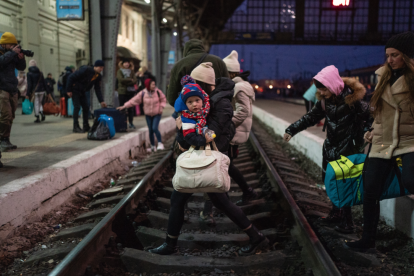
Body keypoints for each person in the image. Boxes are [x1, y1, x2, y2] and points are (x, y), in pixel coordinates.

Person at [149, 62, 268, 256]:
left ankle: (256, 237)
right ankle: (256, 237)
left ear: (204, 83)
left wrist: (182, 132)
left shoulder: (219, 104)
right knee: (204, 201)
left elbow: (205, 135)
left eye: (196, 82)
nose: (193, 86)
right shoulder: (211, 100)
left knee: (187, 199)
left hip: (210, 157)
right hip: (206, 156)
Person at [345, 32, 414, 252]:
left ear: (407, 55)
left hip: (408, 141)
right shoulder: (383, 76)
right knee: (370, 190)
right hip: (383, 141)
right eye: (388, 55)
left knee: (411, 179)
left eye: (395, 55)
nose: (390, 60)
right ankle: (368, 240)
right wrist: (372, 130)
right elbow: (380, 112)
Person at [283, 65, 372, 234]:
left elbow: (371, 117)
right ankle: (336, 213)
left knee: (344, 183)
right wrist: (291, 130)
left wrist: (368, 130)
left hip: (350, 148)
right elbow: (311, 117)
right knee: (329, 180)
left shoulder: (354, 102)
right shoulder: (324, 102)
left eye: (323, 89)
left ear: (332, 85)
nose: (321, 93)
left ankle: (348, 222)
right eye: (320, 90)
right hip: (331, 147)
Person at [222, 50, 257, 206]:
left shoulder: (239, 87)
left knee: (226, 165)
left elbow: (243, 111)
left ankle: (246, 191)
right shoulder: (237, 85)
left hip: (233, 132)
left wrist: (227, 125)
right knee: (227, 164)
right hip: (234, 131)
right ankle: (243, 192)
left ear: (229, 72)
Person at [167, 39, 229, 107]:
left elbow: (172, 98)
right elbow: (228, 87)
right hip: (217, 110)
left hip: (190, 114)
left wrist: (188, 106)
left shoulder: (178, 66)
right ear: (202, 48)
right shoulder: (219, 62)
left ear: (185, 50)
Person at [117, 78, 167, 152]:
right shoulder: (143, 93)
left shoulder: (158, 92)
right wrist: (124, 106)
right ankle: (153, 146)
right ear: (147, 85)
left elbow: (163, 99)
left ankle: (160, 143)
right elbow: (133, 101)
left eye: (154, 84)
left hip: (157, 113)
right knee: (150, 130)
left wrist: (161, 107)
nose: (154, 86)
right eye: (152, 84)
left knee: (154, 128)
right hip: (148, 115)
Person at [0, 32, 26, 167]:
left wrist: (21, 58)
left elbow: (21, 67)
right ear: (4, 44)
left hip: (12, 89)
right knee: (5, 116)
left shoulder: (11, 53)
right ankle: (3, 139)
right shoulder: (3, 53)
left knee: (10, 117)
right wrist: (11, 53)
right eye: (12, 44)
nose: (14, 47)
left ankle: (5, 139)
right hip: (2, 89)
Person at [66, 60, 107, 133]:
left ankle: (86, 125)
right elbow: (71, 77)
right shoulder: (86, 70)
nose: (101, 69)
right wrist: (68, 90)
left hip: (82, 91)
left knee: (86, 107)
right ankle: (75, 126)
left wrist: (101, 101)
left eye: (102, 68)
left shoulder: (98, 76)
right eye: (100, 67)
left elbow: (97, 89)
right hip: (75, 89)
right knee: (77, 107)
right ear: (95, 66)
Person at [173, 75, 211, 145]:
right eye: (190, 102)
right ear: (185, 104)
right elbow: (189, 137)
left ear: (203, 100)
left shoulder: (207, 110)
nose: (194, 104)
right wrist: (204, 140)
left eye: (197, 100)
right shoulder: (186, 118)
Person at [117, 58, 137, 129]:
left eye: (128, 63)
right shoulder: (119, 71)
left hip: (130, 92)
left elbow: (135, 80)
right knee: (122, 108)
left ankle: (131, 123)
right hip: (122, 92)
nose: (127, 64)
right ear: (122, 64)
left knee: (130, 108)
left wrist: (127, 81)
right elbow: (121, 80)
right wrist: (130, 80)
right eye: (125, 63)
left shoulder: (132, 71)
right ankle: (122, 122)